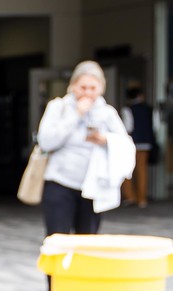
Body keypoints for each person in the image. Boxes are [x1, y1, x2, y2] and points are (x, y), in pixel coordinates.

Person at [34, 61, 134, 240]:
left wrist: (105, 140)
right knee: (58, 243)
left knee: (87, 244)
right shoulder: (59, 107)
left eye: (93, 88)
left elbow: (126, 145)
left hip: (92, 186)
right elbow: (46, 141)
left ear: (101, 88)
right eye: (83, 87)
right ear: (72, 86)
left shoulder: (107, 113)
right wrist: (76, 115)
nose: (87, 93)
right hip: (60, 183)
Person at [120, 82, 157, 208]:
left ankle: (130, 197)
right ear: (140, 96)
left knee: (127, 169)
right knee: (142, 171)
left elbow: (127, 127)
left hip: (131, 143)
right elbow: (155, 126)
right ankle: (142, 199)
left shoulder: (127, 109)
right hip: (146, 143)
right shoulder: (149, 109)